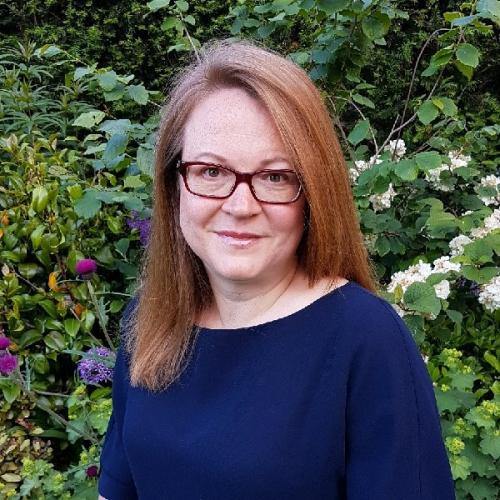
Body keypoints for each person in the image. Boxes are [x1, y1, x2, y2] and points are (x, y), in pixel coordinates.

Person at [98, 39, 455, 499]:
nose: (240, 206)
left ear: (314, 194)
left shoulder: (365, 341)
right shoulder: (151, 318)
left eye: (275, 177)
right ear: (174, 185)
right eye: (211, 171)